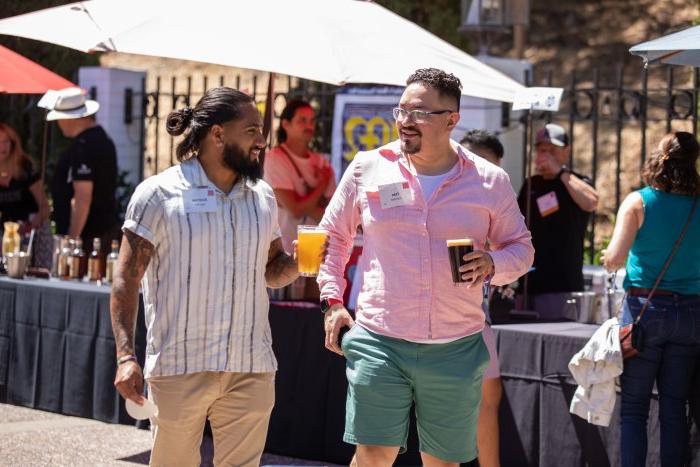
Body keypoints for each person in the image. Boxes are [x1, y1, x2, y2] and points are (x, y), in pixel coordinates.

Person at [319, 68, 534, 467]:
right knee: (372, 455)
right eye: (400, 111)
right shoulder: (368, 167)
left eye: (418, 113)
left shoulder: (489, 181)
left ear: (452, 120)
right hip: (379, 339)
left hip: (455, 347)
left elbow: (521, 249)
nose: (404, 120)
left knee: (441, 462)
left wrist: (491, 264)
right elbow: (332, 239)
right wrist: (332, 301)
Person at [110, 87, 299, 467]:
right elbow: (127, 278)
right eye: (251, 130)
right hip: (181, 366)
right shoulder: (159, 194)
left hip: (251, 367)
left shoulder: (262, 196)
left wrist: (303, 263)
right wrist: (126, 355)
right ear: (217, 134)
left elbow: (272, 270)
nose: (262, 141)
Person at [602, 131, 700, 467]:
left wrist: (608, 257)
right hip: (691, 313)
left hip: (645, 310)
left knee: (634, 408)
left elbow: (614, 258)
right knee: (675, 406)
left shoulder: (639, 201)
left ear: (658, 159)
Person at [517, 123, 599, 315]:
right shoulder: (532, 184)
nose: (545, 155)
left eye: (552, 151)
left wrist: (560, 172)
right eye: (541, 150)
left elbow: (591, 202)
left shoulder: (576, 181)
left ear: (566, 152)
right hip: (529, 281)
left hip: (562, 284)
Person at [460, 129, 505, 467]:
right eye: (480, 163)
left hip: (477, 316)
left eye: (494, 166)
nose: (488, 174)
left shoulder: (498, 196)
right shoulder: (445, 193)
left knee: (489, 395)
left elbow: (517, 252)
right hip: (425, 322)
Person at [43, 87, 119, 253]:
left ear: (70, 119)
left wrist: (72, 240)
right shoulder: (103, 138)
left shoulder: (83, 147)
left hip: (87, 239)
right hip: (102, 231)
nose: (58, 124)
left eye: (60, 118)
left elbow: (82, 198)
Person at [263, 99, 336, 253]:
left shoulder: (321, 162)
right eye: (302, 120)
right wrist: (321, 185)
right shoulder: (274, 159)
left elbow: (330, 214)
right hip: (283, 254)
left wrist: (304, 205)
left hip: (317, 251)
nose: (309, 126)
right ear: (285, 124)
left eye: (312, 121)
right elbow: (295, 210)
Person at [0, 123, 49, 228]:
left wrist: (32, 225)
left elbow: (44, 206)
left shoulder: (24, 166)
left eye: (6, 141)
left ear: (12, 143)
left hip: (30, 231)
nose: (2, 147)